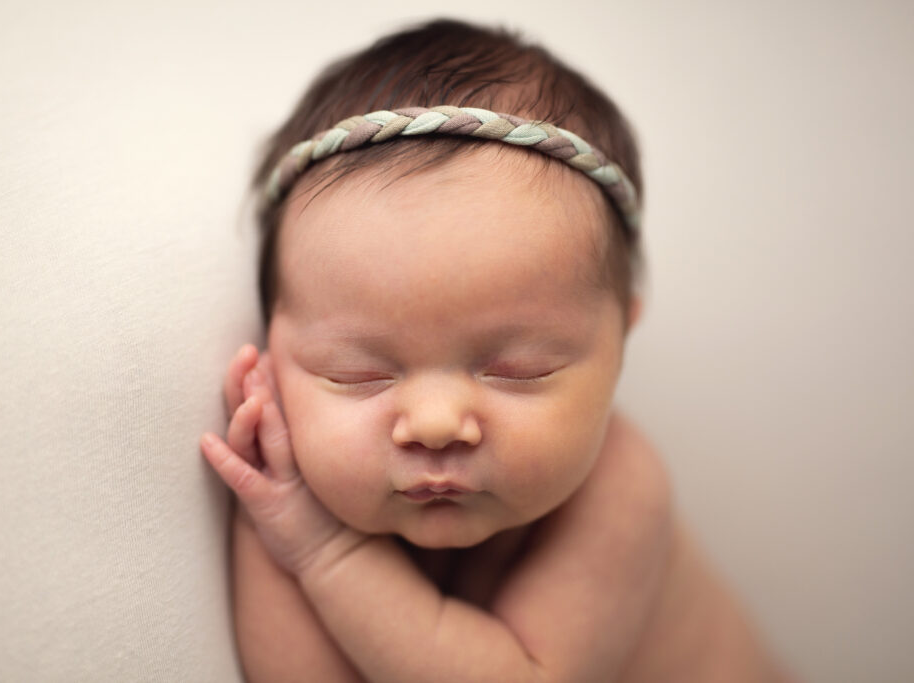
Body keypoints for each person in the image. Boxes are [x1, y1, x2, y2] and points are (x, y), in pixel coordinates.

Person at [201, 18, 789, 682]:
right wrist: (267, 521)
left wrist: (322, 551)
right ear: (273, 359)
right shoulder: (294, 494)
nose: (434, 423)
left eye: (519, 369)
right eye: (356, 372)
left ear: (620, 343)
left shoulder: (622, 490)